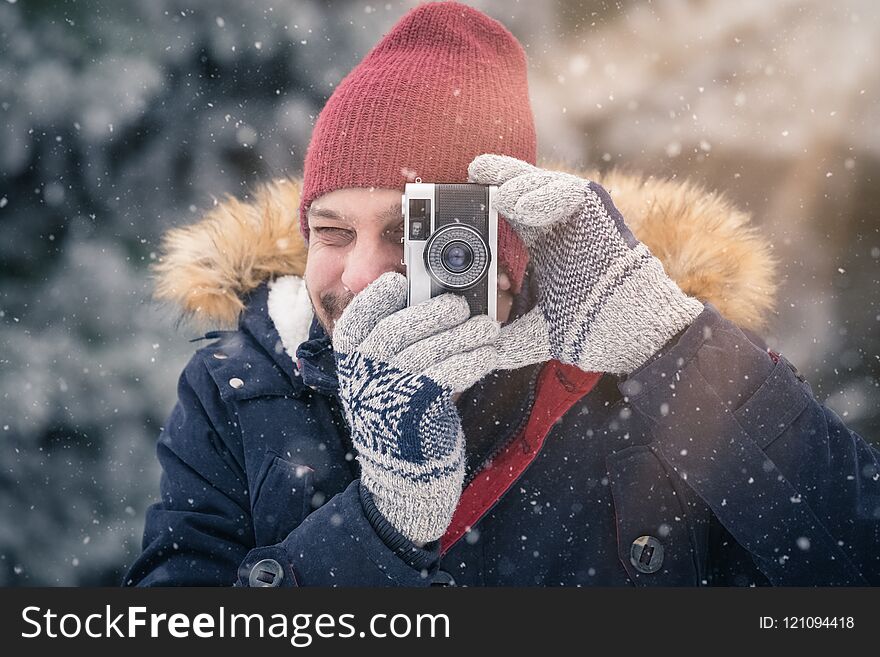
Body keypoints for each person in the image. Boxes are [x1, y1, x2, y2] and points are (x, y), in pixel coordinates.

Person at [124, 2, 879, 587]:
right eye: (331, 231)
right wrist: (379, 525)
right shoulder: (243, 388)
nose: (356, 276)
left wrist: (677, 351)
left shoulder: (642, 375)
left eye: (408, 233)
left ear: (498, 241)